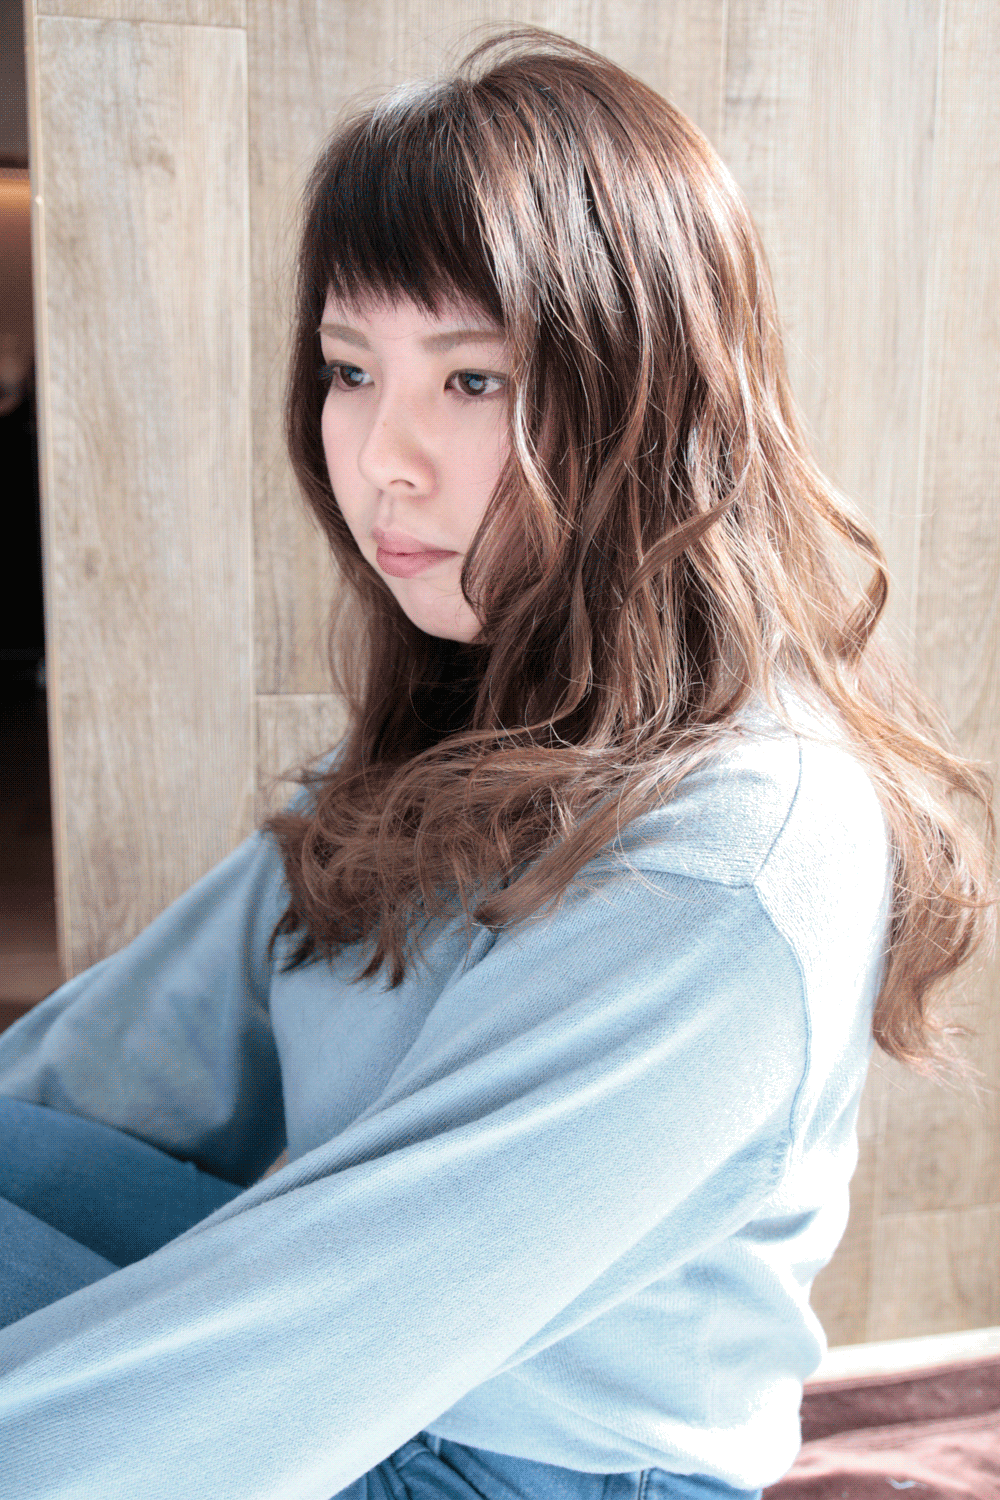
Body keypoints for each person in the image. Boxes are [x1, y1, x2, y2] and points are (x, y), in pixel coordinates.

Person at [0, 23, 995, 1500]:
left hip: (539, 1469)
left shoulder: (740, 851)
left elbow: (326, 1323)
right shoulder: (459, 728)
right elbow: (94, 1080)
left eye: (471, 382)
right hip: (373, 1384)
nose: (379, 456)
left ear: (654, 405)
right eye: (350, 368)